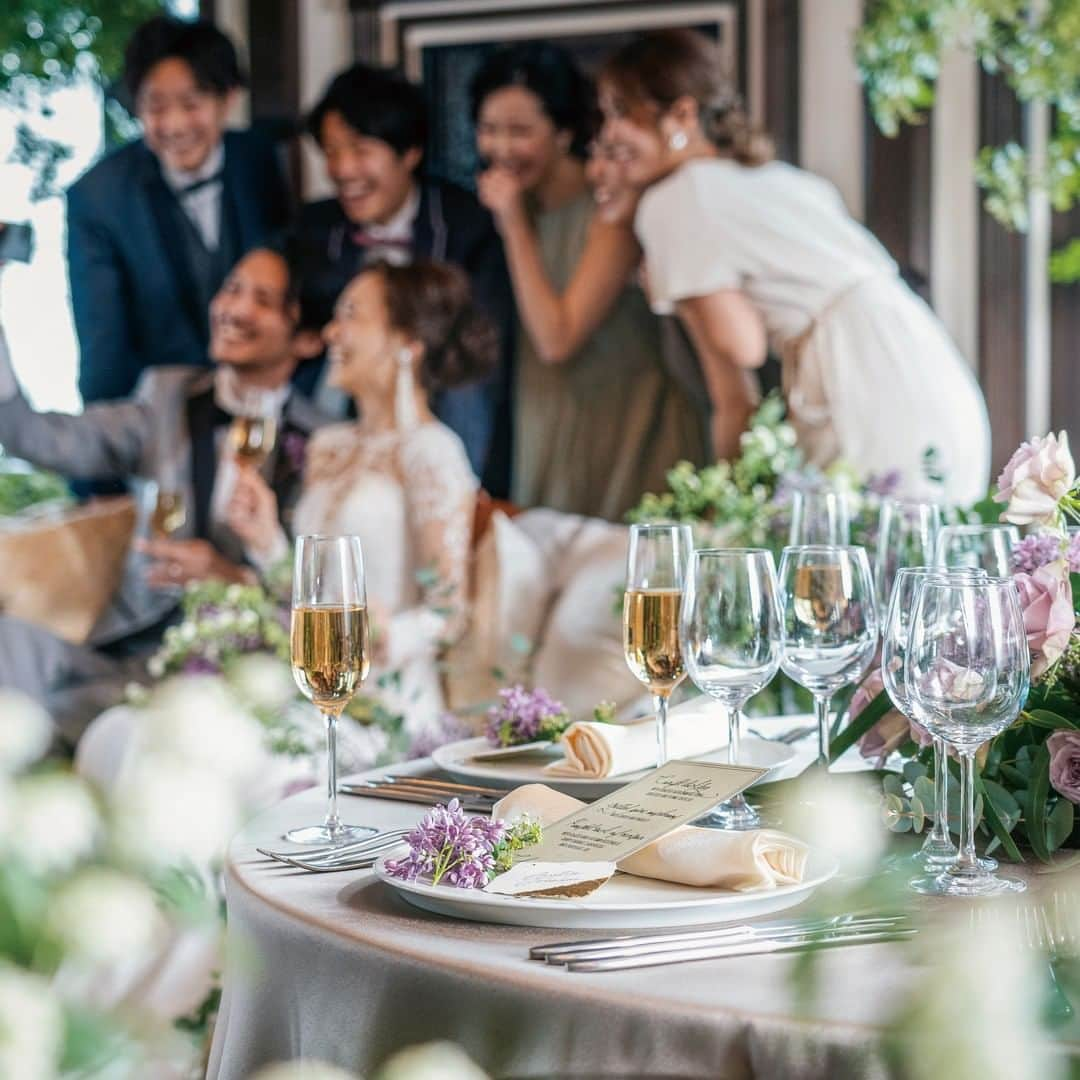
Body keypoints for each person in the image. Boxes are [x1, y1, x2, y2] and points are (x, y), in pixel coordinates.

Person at [599, 29, 991, 502]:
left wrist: (727, 511)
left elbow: (740, 351)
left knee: (856, 562)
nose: (607, 136)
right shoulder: (777, 179)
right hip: (927, 368)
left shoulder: (674, 200)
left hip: (858, 380)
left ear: (682, 113)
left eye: (622, 114)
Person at [0, 248, 329, 741]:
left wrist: (230, 576)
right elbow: (39, 438)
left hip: (237, 680)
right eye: (232, 289)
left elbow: (318, 601)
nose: (234, 309)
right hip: (126, 657)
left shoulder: (325, 445)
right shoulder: (165, 397)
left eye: (262, 300)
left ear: (304, 338)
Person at [226, 260, 496, 739]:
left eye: (351, 314)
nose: (331, 332)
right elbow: (309, 598)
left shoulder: (431, 451)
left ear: (406, 342)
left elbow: (450, 613)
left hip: (386, 709)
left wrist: (389, 632)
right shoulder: (327, 445)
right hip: (310, 687)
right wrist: (266, 541)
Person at [471, 43, 707, 522]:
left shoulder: (609, 205)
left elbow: (557, 338)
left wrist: (514, 225)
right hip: (546, 418)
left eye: (520, 131)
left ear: (564, 133)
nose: (501, 148)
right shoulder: (516, 208)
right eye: (489, 129)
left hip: (626, 428)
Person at [293, 63, 513, 495]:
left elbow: (480, 356)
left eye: (359, 149)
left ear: (410, 152)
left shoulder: (467, 227)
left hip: (442, 408)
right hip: (339, 414)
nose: (342, 169)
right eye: (332, 152)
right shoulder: (315, 229)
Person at [67, 14, 291, 404]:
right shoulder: (97, 197)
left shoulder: (259, 159)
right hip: (160, 417)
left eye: (191, 104)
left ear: (228, 99)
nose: (173, 125)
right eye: (156, 106)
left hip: (265, 401)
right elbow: (103, 344)